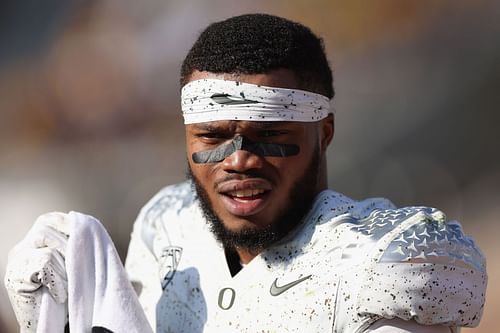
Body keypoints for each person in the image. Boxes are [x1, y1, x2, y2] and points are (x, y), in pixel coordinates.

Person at [5, 13, 487, 333]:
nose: (239, 159)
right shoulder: (165, 226)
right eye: (212, 137)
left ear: (324, 133)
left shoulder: (385, 259)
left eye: (268, 134)